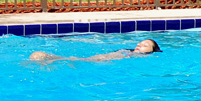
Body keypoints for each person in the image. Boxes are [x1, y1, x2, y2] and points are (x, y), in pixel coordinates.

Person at [29, 39, 162, 64]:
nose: (140, 45)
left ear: (152, 51)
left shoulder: (143, 58)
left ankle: (52, 58)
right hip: (102, 59)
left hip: (103, 59)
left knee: (79, 60)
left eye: (145, 45)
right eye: (139, 43)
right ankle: (52, 58)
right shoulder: (130, 53)